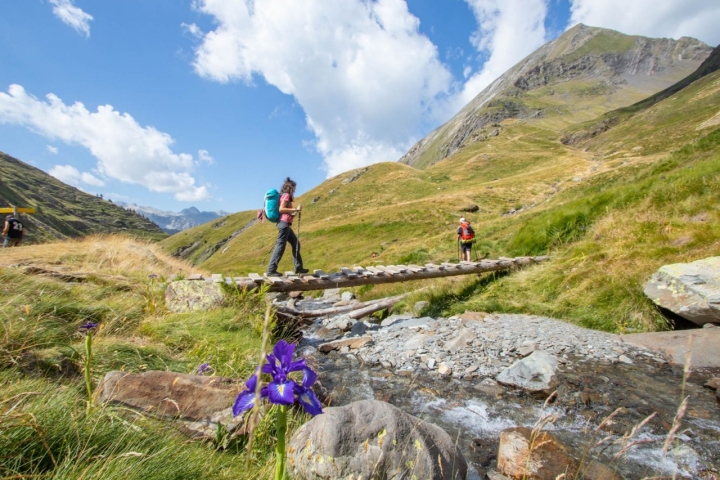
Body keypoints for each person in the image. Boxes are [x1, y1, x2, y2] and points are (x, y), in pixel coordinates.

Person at [266, 177, 309, 277]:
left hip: (285, 224)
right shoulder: (286, 196)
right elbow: (281, 210)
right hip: (284, 224)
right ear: (290, 187)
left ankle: (298, 267)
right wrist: (295, 208)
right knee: (280, 247)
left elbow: (288, 214)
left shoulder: (284, 196)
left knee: (295, 243)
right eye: (294, 188)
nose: (295, 190)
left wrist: (296, 211)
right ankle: (271, 270)